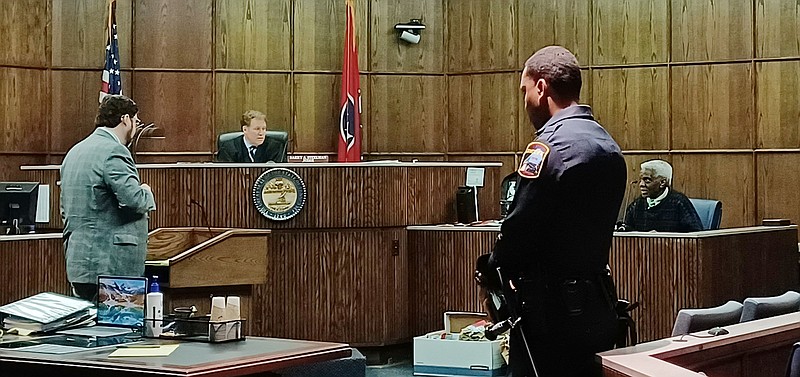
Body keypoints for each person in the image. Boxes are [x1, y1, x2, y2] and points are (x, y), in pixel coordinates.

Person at [488, 46, 627, 377]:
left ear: (541, 88)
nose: (524, 102)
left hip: (550, 316)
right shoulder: (608, 145)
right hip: (597, 304)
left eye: (525, 91)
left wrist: (492, 267)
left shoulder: (548, 148)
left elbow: (518, 231)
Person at [60, 95, 156, 302]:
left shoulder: (75, 151)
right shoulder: (114, 151)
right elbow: (135, 201)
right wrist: (146, 191)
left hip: (79, 262)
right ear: (125, 119)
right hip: (112, 266)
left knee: (84, 329)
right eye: (136, 122)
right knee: (119, 332)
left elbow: (64, 207)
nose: (136, 127)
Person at [621, 159, 703, 232]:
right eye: (641, 180)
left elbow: (695, 236)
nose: (641, 185)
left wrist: (660, 240)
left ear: (662, 183)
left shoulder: (679, 203)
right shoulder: (637, 205)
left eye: (647, 180)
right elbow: (627, 232)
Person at [216, 110, 287, 163]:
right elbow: (225, 176)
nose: (261, 133)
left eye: (263, 129)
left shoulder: (275, 147)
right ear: (245, 129)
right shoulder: (228, 148)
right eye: (257, 129)